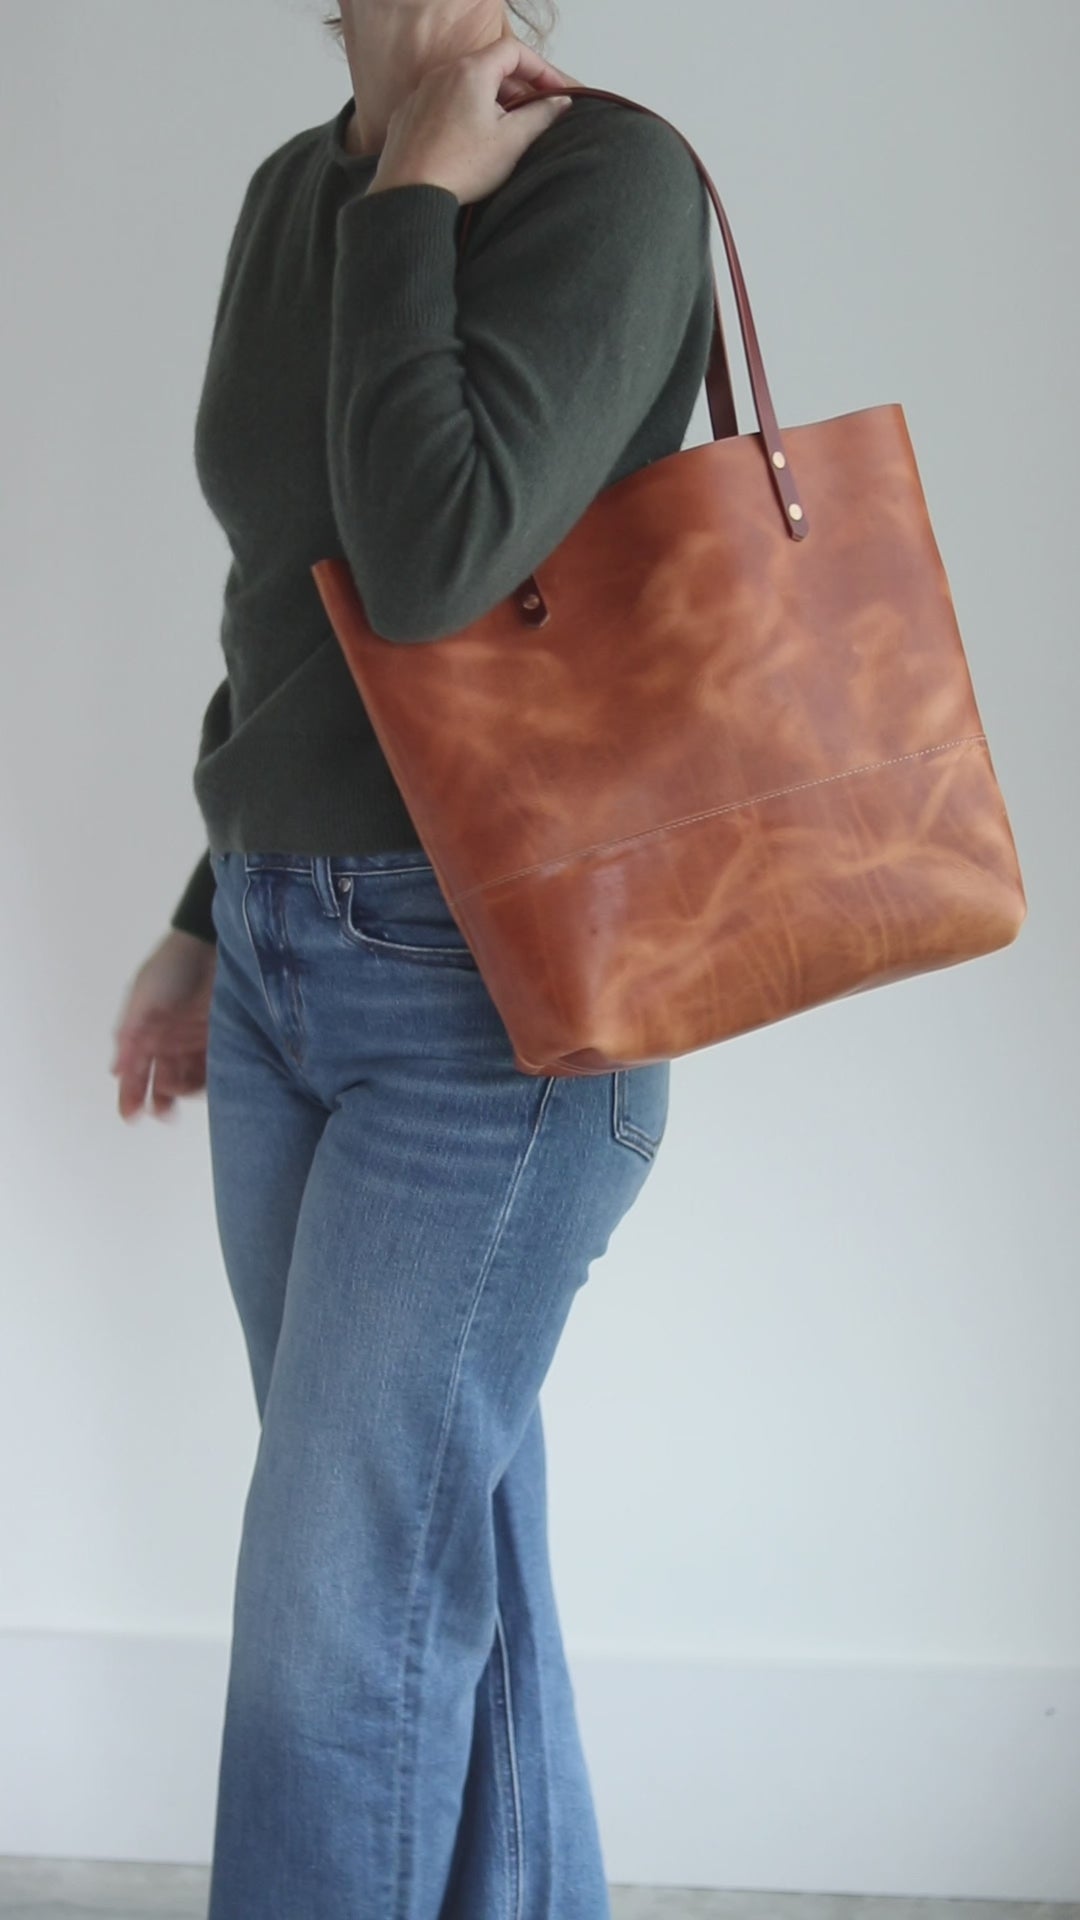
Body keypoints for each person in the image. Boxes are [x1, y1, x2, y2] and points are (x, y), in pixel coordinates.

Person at [110, 4, 715, 1913]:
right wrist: (211, 913)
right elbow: (277, 593)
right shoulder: (296, 192)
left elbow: (435, 552)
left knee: (336, 1609)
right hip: (294, 956)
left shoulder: (607, 172)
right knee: (445, 1563)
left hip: (496, 1002)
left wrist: (423, 203)